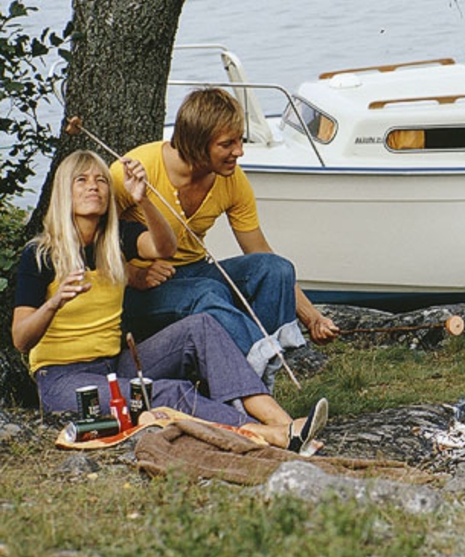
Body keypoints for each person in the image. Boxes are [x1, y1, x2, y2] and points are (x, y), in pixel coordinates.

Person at [12, 150, 328, 453]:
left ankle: (284, 424)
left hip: (113, 365)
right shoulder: (40, 255)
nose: (93, 186)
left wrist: (144, 199)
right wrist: (54, 303)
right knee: (168, 392)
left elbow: (164, 247)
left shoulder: (115, 239)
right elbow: (21, 339)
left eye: (101, 180)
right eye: (80, 180)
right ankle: (263, 433)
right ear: (64, 192)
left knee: (200, 327)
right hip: (63, 379)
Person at [109, 87, 339, 381]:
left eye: (240, 140)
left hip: (194, 274)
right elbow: (84, 242)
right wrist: (133, 274)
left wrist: (312, 317)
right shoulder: (133, 171)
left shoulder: (231, 179)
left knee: (276, 269)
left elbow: (259, 252)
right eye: (227, 144)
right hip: (140, 293)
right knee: (209, 292)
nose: (239, 151)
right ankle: (253, 375)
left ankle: (254, 377)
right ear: (196, 143)